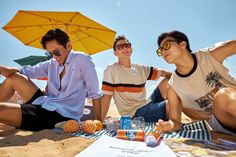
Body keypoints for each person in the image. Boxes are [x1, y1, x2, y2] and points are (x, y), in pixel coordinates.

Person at [0, 28, 102, 131]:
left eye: (56, 52)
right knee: (15, 78)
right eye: (50, 53)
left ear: (68, 46)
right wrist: (2, 69)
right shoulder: (52, 63)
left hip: (60, 116)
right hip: (45, 104)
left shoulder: (82, 59)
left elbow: (95, 94)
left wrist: (99, 123)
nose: (54, 57)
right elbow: (24, 71)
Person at [155, 30, 236, 135]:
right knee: (222, 97)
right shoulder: (173, 87)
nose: (163, 52)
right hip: (220, 124)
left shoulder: (210, 55)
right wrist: (168, 126)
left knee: (223, 96)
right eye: (160, 51)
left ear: (183, 44)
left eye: (166, 45)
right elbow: (175, 121)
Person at [101, 35, 171, 122]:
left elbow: (164, 73)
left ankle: (176, 112)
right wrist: (100, 121)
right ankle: (172, 116)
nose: (124, 48)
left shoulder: (140, 68)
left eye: (127, 45)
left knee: (168, 81)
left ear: (131, 49)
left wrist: (185, 76)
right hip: (134, 114)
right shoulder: (112, 69)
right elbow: (106, 98)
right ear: (115, 52)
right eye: (120, 47)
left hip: (147, 103)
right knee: (172, 105)